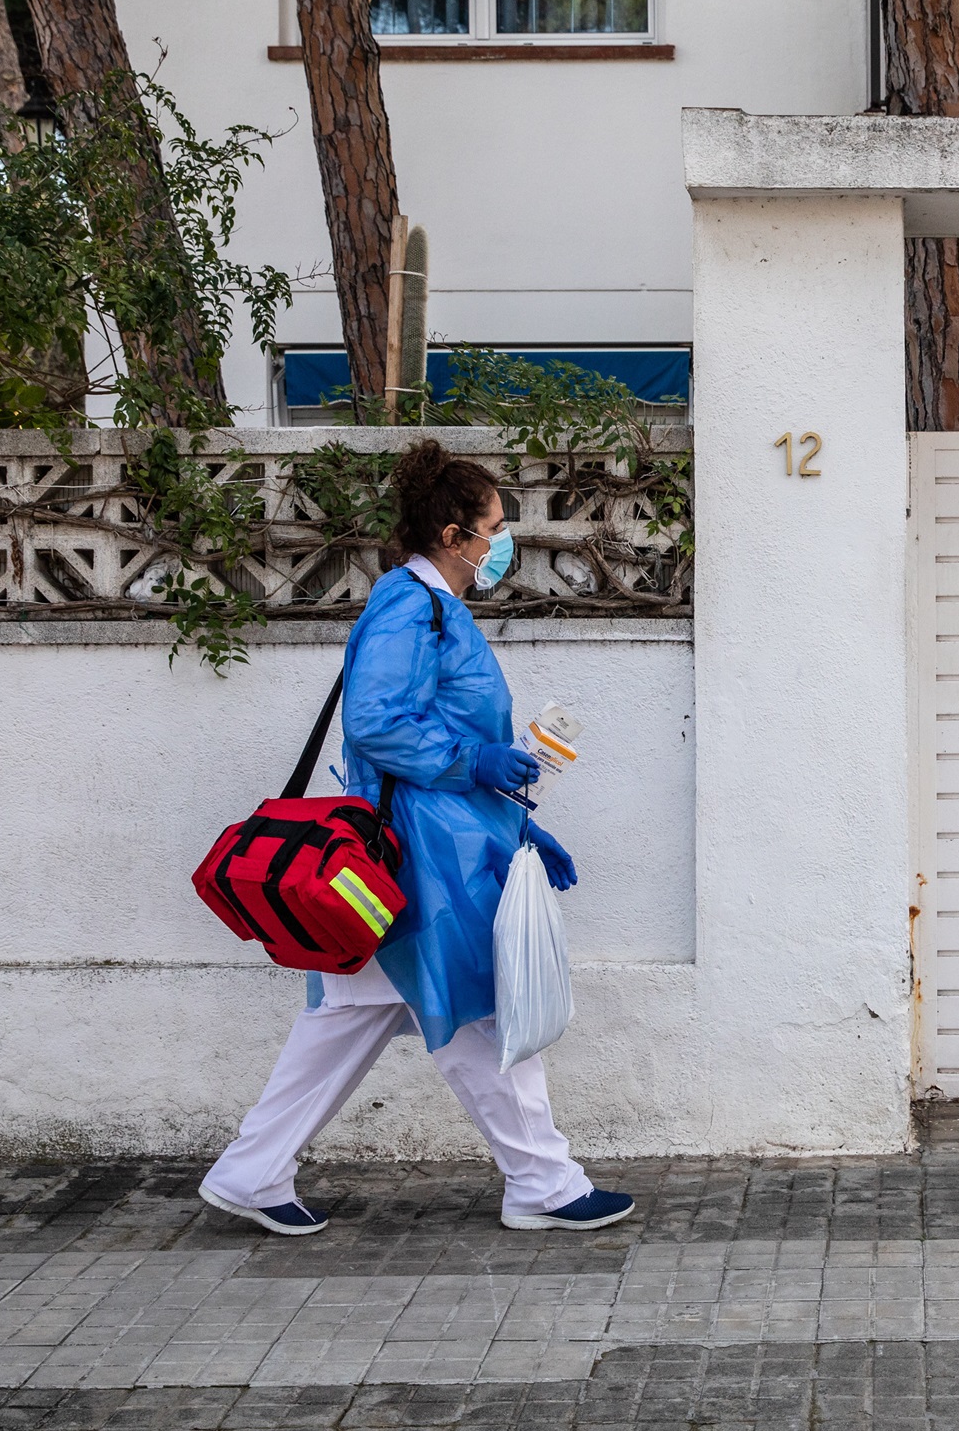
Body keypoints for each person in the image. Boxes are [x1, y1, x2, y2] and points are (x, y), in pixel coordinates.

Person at [199, 440, 634, 1236]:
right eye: (494, 527)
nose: (503, 542)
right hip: (422, 860)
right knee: (479, 1013)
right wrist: (479, 760)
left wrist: (518, 822)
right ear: (452, 534)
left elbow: (421, 729)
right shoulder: (412, 605)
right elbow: (377, 722)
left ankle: (253, 1171)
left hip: (420, 850)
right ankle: (542, 1182)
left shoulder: (429, 604)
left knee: (350, 1015)